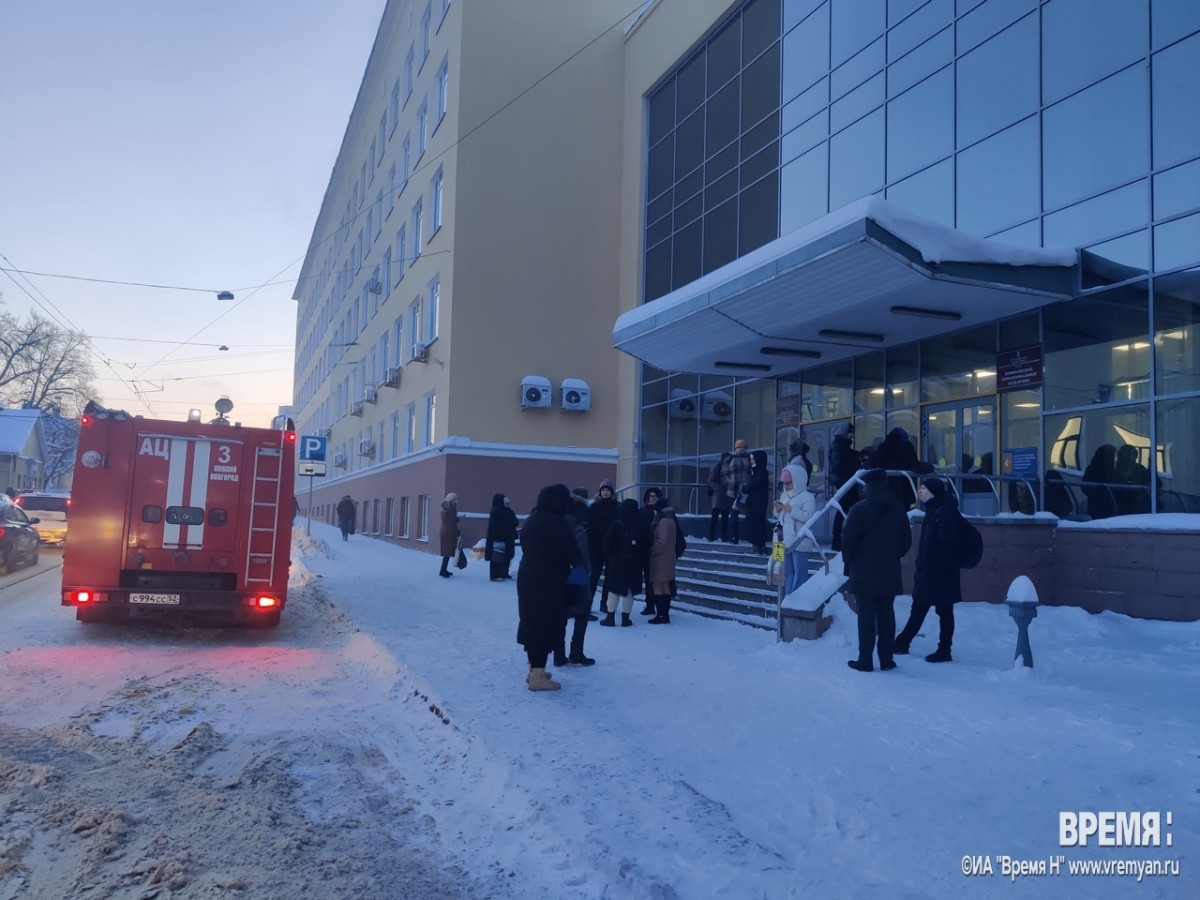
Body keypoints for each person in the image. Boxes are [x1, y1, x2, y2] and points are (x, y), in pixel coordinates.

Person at [841, 468, 912, 672]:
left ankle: (865, 660)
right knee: (886, 614)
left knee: (865, 616)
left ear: (867, 486)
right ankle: (887, 660)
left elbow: (847, 540)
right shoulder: (898, 509)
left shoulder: (859, 509)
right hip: (889, 570)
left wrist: (851, 560)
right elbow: (906, 542)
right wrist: (890, 556)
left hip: (863, 571)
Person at [516, 484, 579, 692]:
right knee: (545, 624)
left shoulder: (533, 518)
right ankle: (538, 677)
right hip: (548, 579)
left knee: (531, 621)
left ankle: (534, 670)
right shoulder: (556, 522)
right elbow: (573, 552)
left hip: (528, 576)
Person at [895, 476, 962, 663]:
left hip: (939, 572)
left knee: (941, 609)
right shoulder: (935, 509)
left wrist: (932, 566)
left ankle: (943, 649)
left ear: (933, 492)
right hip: (932, 571)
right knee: (923, 607)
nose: (920, 491)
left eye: (924, 488)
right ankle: (904, 642)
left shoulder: (944, 512)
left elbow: (946, 544)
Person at [554, 488, 595, 666]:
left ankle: (559, 654)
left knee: (560, 615)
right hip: (577, 572)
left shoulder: (556, 522)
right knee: (582, 612)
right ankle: (576, 652)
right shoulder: (577, 526)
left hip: (558, 573)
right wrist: (588, 569)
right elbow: (583, 553)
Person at [600, 498, 652, 627]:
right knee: (629, 591)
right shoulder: (642, 526)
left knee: (613, 590)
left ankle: (610, 617)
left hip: (616, 563)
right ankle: (625, 618)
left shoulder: (616, 525)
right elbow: (648, 544)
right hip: (635, 564)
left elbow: (607, 544)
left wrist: (609, 558)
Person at [774, 463, 816, 594]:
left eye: (789, 482)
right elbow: (779, 516)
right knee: (784, 573)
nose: (787, 486)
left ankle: (797, 601)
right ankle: (787, 599)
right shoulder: (784, 495)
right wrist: (778, 509)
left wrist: (791, 510)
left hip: (798, 541)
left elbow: (809, 517)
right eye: (784, 483)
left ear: (798, 480)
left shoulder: (807, 496)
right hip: (781, 540)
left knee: (799, 574)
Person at [586, 480, 620, 617]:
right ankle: (588, 602)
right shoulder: (594, 507)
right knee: (594, 576)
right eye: (603, 490)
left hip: (612, 547)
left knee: (609, 577)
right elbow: (590, 526)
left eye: (608, 490)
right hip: (596, 547)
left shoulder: (617, 507)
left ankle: (605, 603)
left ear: (612, 492)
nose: (605, 492)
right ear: (600, 492)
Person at [828, 421, 860, 552]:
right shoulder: (838, 446)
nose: (852, 436)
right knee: (843, 509)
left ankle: (844, 538)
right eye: (850, 434)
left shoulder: (842, 447)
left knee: (849, 509)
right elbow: (838, 466)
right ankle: (837, 539)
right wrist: (854, 471)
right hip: (845, 481)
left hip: (848, 481)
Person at [647, 497, 679, 624]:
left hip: (660, 558)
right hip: (668, 557)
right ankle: (664, 615)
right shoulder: (671, 520)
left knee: (657, 585)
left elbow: (662, 540)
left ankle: (660, 614)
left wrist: (652, 550)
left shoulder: (664, 522)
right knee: (665, 585)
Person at [721, 439, 752, 544]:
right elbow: (724, 474)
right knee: (733, 515)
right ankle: (734, 536)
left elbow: (752, 472)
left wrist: (750, 484)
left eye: (743, 447)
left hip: (746, 491)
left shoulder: (749, 458)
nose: (741, 449)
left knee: (750, 513)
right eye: (739, 447)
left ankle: (750, 535)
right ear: (736, 448)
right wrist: (729, 483)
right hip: (732, 491)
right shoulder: (729, 459)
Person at [637, 487, 661, 615]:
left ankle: (659, 605)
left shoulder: (663, 512)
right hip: (645, 550)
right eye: (650, 496)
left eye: (655, 496)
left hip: (659, 551)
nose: (653, 498)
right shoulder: (642, 512)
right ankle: (649, 604)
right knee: (648, 578)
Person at [485, 493, 519, 581]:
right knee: (497, 556)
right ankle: (495, 575)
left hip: (507, 537)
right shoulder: (496, 511)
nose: (508, 505)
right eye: (506, 504)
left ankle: (504, 573)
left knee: (506, 556)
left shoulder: (507, 511)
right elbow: (498, 526)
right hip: (499, 538)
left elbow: (515, 521)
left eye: (508, 504)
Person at [743, 450, 771, 554]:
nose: (751, 461)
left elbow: (753, 486)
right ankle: (758, 545)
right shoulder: (756, 471)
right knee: (754, 523)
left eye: (753, 459)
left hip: (758, 503)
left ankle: (758, 545)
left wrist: (745, 487)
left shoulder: (761, 472)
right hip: (754, 503)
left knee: (756, 523)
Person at [1113, 444, 1151, 515]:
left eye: (1132, 453)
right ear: (1120, 455)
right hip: (1118, 505)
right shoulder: (1114, 468)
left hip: (1137, 506)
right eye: (1126, 453)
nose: (1129, 456)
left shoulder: (1140, 469)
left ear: (1136, 456)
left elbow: (1150, 483)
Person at [1081, 444, 1118, 520]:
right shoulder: (1092, 469)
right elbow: (1085, 487)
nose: (1113, 458)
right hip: (1096, 505)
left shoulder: (1112, 470)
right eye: (1111, 455)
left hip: (1111, 504)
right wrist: (1098, 492)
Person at [706, 452, 733, 542]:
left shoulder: (729, 468)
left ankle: (724, 536)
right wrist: (718, 489)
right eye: (726, 459)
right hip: (718, 495)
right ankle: (711, 535)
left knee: (725, 517)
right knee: (715, 517)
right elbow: (710, 480)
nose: (728, 461)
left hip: (726, 495)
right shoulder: (717, 467)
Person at [438, 492, 462, 578]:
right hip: (449, 532)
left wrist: (456, 519)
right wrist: (457, 533)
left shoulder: (444, 508)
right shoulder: (452, 510)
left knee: (446, 552)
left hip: (444, 531)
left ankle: (443, 570)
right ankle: (443, 571)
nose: (457, 501)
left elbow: (447, 520)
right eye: (456, 499)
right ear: (452, 500)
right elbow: (451, 524)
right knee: (447, 552)